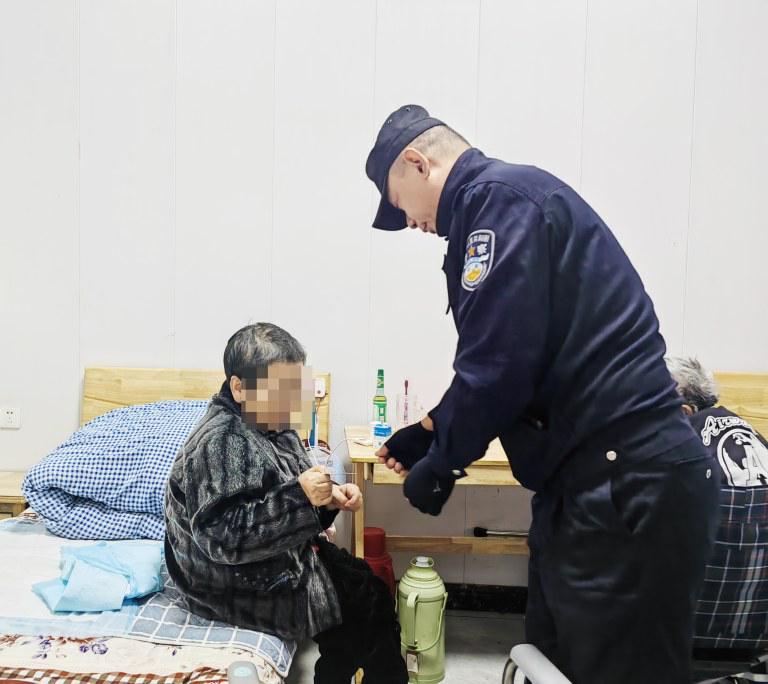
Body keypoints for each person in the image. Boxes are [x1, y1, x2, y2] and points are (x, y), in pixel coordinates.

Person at [366, 104, 718, 682]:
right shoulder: (497, 207)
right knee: (555, 664)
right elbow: (511, 356)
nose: (408, 222)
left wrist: (444, 462)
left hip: (627, 488)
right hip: (588, 486)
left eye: (399, 202)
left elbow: (500, 365)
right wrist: (428, 431)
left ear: (417, 162)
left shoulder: (499, 203)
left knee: (610, 670)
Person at [164, 322, 408, 684]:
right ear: (239, 388)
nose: (291, 402)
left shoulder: (269, 423)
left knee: (371, 590)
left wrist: (330, 499)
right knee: (364, 608)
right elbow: (223, 538)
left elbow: (296, 493)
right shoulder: (221, 441)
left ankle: (339, 671)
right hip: (228, 584)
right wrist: (301, 498)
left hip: (274, 558)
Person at [667, 357, 768, 651]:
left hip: (681, 639)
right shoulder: (756, 439)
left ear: (684, 412)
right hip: (759, 642)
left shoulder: (675, 456)